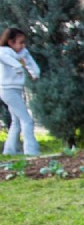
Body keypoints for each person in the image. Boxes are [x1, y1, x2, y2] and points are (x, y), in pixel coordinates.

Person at [0, 28, 41, 156]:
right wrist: (19, 67)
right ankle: (31, 151)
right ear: (10, 42)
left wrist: (34, 72)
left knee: (16, 121)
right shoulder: (3, 52)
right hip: (7, 89)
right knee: (27, 120)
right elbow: (13, 62)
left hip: (16, 89)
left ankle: (9, 151)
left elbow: (29, 62)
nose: (23, 45)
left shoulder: (21, 52)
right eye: (20, 42)